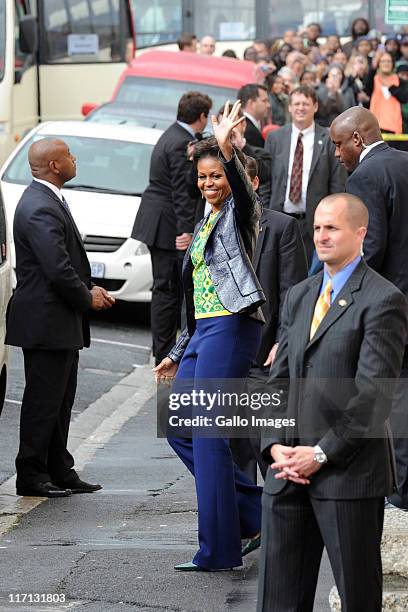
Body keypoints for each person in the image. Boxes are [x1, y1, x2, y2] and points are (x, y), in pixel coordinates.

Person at [257, 193, 407, 611]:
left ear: (360, 234)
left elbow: (372, 397)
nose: (321, 236)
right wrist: (274, 446)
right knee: (277, 600)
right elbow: (278, 381)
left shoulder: (384, 300)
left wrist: (321, 454)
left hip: (349, 476)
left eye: (332, 228)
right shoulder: (300, 295)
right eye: (318, 227)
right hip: (286, 471)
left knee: (358, 598)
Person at [154, 102, 265, 571]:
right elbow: (194, 297)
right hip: (203, 333)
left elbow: (239, 187)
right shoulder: (202, 222)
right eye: (203, 178)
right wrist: (177, 351)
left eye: (216, 176)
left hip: (233, 327)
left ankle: (218, 551)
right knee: (179, 428)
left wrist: (226, 148)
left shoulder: (241, 214)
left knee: (207, 432)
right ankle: (257, 511)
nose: (209, 183)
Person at [6, 139, 115, 498]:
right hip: (45, 320)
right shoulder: (39, 205)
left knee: (60, 400)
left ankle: (59, 468)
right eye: (68, 155)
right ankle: (32, 475)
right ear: (54, 165)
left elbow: (62, 262)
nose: (74, 160)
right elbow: (57, 268)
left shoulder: (48, 199)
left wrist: (89, 290)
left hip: (57, 320)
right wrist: (89, 297)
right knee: (42, 402)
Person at [330, 106, 408, 510]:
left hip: (389, 306)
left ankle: (401, 489)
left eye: (339, 144)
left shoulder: (364, 175)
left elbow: (369, 247)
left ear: (358, 139)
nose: (337, 154)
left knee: (393, 394)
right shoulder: (404, 162)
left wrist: (344, 300)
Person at [230, 156, 308, 483]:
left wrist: (283, 340)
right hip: (224, 354)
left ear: (255, 184)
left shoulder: (281, 227)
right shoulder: (211, 226)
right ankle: (248, 524)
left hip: (264, 355)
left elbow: (294, 292)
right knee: (233, 450)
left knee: (265, 440)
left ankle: (276, 524)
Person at [132, 91, 212, 366]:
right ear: (201, 117)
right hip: (166, 226)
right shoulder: (180, 142)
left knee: (167, 290)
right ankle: (163, 352)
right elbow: (181, 192)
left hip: (160, 221)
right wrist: (185, 231)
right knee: (167, 291)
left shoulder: (177, 136)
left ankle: (164, 349)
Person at [264, 85, 347, 264]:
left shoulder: (328, 140)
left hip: (313, 226)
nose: (300, 108)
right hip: (279, 219)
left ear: (315, 106)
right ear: (290, 107)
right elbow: (266, 181)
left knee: (309, 279)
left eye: (305, 104)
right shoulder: (275, 138)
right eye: (296, 104)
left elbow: (337, 185)